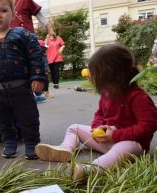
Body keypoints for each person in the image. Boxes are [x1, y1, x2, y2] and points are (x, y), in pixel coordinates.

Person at [35, 44, 157, 181]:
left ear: (114, 74)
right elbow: (100, 114)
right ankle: (65, 150)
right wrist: (96, 127)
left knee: (125, 146)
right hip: (108, 140)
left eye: (97, 74)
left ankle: (91, 169)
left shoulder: (138, 97)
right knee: (73, 128)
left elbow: (148, 127)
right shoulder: (107, 93)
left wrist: (116, 135)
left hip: (133, 147)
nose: (92, 78)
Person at [0, 0, 46, 159]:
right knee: (2, 119)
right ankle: (9, 142)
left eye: (3, 10)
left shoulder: (23, 35)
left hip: (21, 87)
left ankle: (32, 142)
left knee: (28, 116)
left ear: (13, 13)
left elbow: (36, 56)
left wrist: (38, 77)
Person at [0, 0, 53, 103]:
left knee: (34, 63)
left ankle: (38, 92)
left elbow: (39, 15)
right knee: (19, 66)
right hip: (13, 41)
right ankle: (31, 93)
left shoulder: (25, 0)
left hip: (28, 38)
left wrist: (49, 29)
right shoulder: (5, 5)